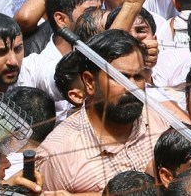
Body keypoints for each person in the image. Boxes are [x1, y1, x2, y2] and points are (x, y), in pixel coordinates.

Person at [36, 30, 170, 193]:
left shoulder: (159, 120)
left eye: (139, 77)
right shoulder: (58, 155)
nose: (132, 88)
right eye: (120, 78)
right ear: (90, 82)